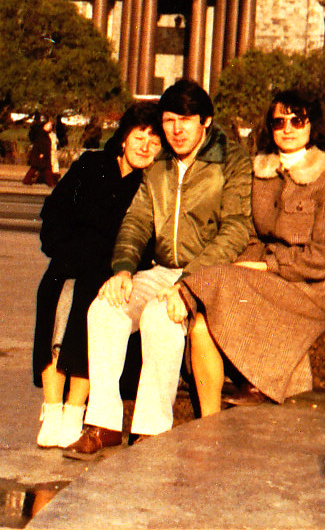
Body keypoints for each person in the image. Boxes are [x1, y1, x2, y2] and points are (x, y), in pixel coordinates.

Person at [65, 79, 252, 459]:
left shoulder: (231, 160)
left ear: (206, 121)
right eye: (169, 120)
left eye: (186, 120)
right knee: (105, 309)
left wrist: (187, 283)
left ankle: (151, 430)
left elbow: (235, 228)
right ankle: (103, 424)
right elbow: (137, 220)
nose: (176, 130)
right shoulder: (160, 163)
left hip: (209, 271)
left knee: (161, 316)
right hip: (162, 269)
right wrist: (122, 269)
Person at [183, 90, 325, 412]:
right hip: (266, 274)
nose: (287, 128)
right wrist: (248, 265)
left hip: (311, 286)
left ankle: (259, 379)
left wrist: (267, 267)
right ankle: (208, 421)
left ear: (313, 125)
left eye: (297, 120)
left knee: (215, 284)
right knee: (203, 322)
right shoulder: (260, 173)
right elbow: (251, 235)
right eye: (279, 122)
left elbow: (323, 257)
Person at [33, 102, 162, 448]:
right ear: (124, 137)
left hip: (111, 268)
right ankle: (52, 409)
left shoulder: (152, 184)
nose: (145, 145)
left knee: (88, 300)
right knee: (54, 289)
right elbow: (55, 212)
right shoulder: (91, 166)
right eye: (140, 136)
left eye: (154, 140)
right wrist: (64, 250)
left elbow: (146, 241)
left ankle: (74, 411)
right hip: (71, 257)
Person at [23, 116, 60, 187]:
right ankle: (50, 183)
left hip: (44, 155)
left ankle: (50, 182)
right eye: (48, 125)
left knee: (45, 169)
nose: (50, 127)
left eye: (50, 126)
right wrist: (41, 153)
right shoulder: (41, 134)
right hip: (40, 155)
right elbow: (40, 145)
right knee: (40, 168)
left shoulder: (45, 134)